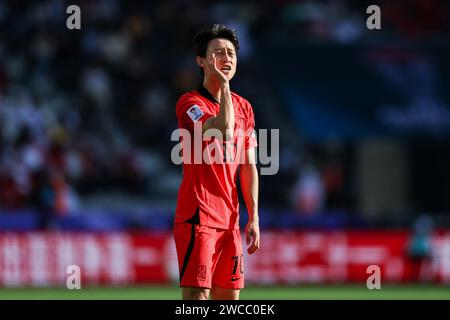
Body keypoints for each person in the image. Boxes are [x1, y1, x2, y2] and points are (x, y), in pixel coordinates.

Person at [173, 24, 260, 300]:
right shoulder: (189, 103)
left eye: (231, 53)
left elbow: (248, 166)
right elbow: (221, 129)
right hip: (198, 218)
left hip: (231, 221)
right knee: (198, 299)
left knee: (229, 300)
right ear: (201, 61)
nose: (227, 58)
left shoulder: (244, 107)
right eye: (218, 52)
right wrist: (223, 84)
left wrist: (254, 216)